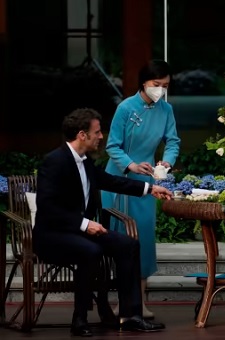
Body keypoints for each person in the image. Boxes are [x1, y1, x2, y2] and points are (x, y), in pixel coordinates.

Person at [32, 108, 172, 336]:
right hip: (52, 236)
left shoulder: (85, 161)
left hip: (78, 232)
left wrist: (150, 188)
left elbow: (109, 181)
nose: (101, 136)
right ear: (82, 135)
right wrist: (85, 224)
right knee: (91, 250)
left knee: (128, 245)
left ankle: (130, 316)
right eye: (96, 132)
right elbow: (48, 208)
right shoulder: (54, 161)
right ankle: (80, 320)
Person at [101, 59, 180, 318]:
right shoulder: (125, 108)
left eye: (165, 85)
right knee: (122, 240)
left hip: (147, 183)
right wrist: (131, 165)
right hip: (118, 182)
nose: (160, 89)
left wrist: (166, 161)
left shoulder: (166, 109)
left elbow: (173, 142)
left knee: (143, 241)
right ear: (144, 83)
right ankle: (122, 300)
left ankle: (139, 302)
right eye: (156, 85)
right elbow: (112, 146)